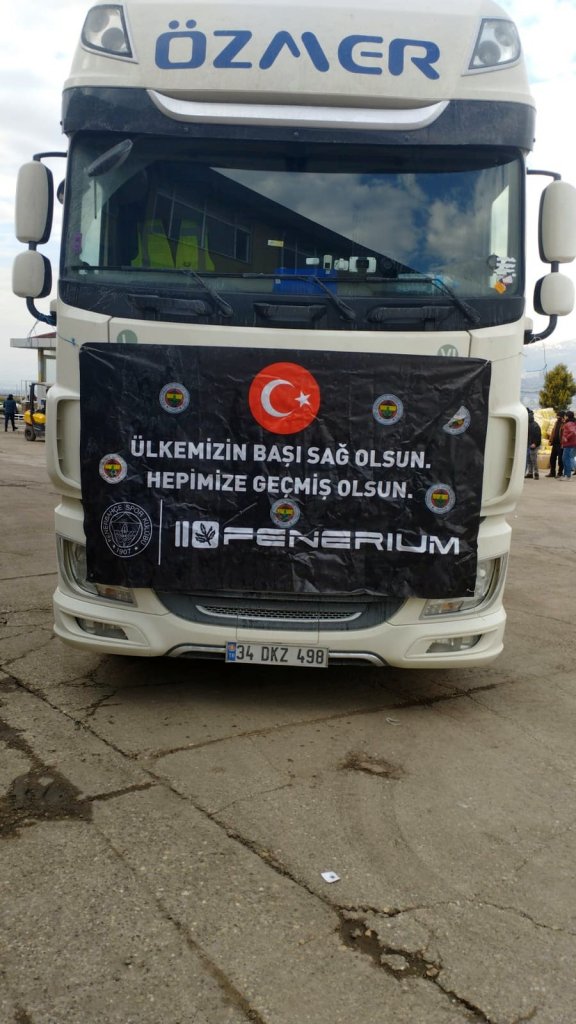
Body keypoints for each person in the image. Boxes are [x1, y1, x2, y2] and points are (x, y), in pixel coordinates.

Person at [546, 411, 566, 477]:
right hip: (555, 443)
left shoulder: (564, 424)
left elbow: (565, 434)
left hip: (561, 444)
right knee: (552, 459)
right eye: (557, 416)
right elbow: (553, 432)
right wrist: (550, 440)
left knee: (560, 460)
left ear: (562, 416)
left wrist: (563, 443)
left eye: (558, 416)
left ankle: (560, 473)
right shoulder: (556, 422)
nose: (557, 417)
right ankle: (552, 473)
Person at [525, 408, 541, 479]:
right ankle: (530, 473)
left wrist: (535, 443)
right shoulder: (528, 424)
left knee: (533, 459)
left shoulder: (535, 425)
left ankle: (536, 473)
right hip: (529, 444)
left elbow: (538, 435)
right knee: (529, 459)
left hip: (533, 444)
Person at [560, 410, 576, 480]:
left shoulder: (569, 423)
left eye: (565, 416)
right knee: (565, 459)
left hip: (569, 444)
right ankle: (566, 475)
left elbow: (573, 432)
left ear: (567, 416)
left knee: (566, 459)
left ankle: (567, 476)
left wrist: (566, 437)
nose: (564, 417)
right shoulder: (571, 423)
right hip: (568, 444)